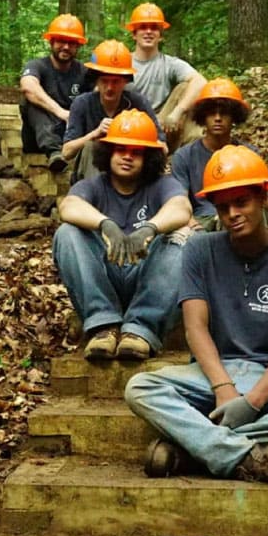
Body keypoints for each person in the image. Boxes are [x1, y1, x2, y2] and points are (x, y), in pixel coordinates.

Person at [124, 146, 268, 488]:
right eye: (223, 207)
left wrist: (252, 402)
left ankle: (193, 449)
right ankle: (246, 455)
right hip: (209, 375)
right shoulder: (199, 249)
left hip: (267, 377)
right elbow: (195, 327)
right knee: (141, 387)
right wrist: (223, 389)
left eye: (242, 202)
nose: (232, 214)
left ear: (264, 198)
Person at [54, 109, 191, 361]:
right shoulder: (93, 185)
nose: (127, 157)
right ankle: (103, 326)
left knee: (186, 236)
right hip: (105, 274)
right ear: (108, 153)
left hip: (149, 273)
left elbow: (181, 208)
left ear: (148, 157)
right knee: (67, 233)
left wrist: (150, 228)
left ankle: (141, 329)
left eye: (136, 151)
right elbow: (68, 206)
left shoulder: (162, 184)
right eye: (120, 149)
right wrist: (105, 224)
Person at [61, 39, 166, 183]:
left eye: (115, 82)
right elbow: (66, 152)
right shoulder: (82, 103)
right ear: (96, 80)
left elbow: (162, 147)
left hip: (131, 173)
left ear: (125, 82)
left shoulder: (138, 103)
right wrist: (95, 134)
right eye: (105, 81)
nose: (110, 87)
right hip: (92, 176)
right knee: (92, 146)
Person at [169, 77, 253, 231]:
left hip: (240, 218)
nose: (218, 119)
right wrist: (190, 223)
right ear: (202, 117)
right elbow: (178, 200)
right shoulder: (184, 156)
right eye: (211, 113)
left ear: (234, 116)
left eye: (224, 114)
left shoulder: (248, 155)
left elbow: (258, 198)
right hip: (202, 221)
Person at [124, 2, 206, 147]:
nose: (148, 32)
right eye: (143, 27)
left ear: (160, 36)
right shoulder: (122, 62)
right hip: (127, 126)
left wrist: (177, 112)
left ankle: (192, 150)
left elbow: (201, 82)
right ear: (134, 34)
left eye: (154, 28)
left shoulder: (170, 64)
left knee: (186, 87)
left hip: (161, 124)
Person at [18, 14, 87, 173]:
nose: (66, 47)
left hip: (70, 136)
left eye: (71, 43)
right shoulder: (37, 65)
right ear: (51, 41)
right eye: (61, 41)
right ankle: (53, 151)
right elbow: (28, 86)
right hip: (37, 137)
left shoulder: (84, 72)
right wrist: (61, 112)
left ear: (78, 46)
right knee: (31, 102)